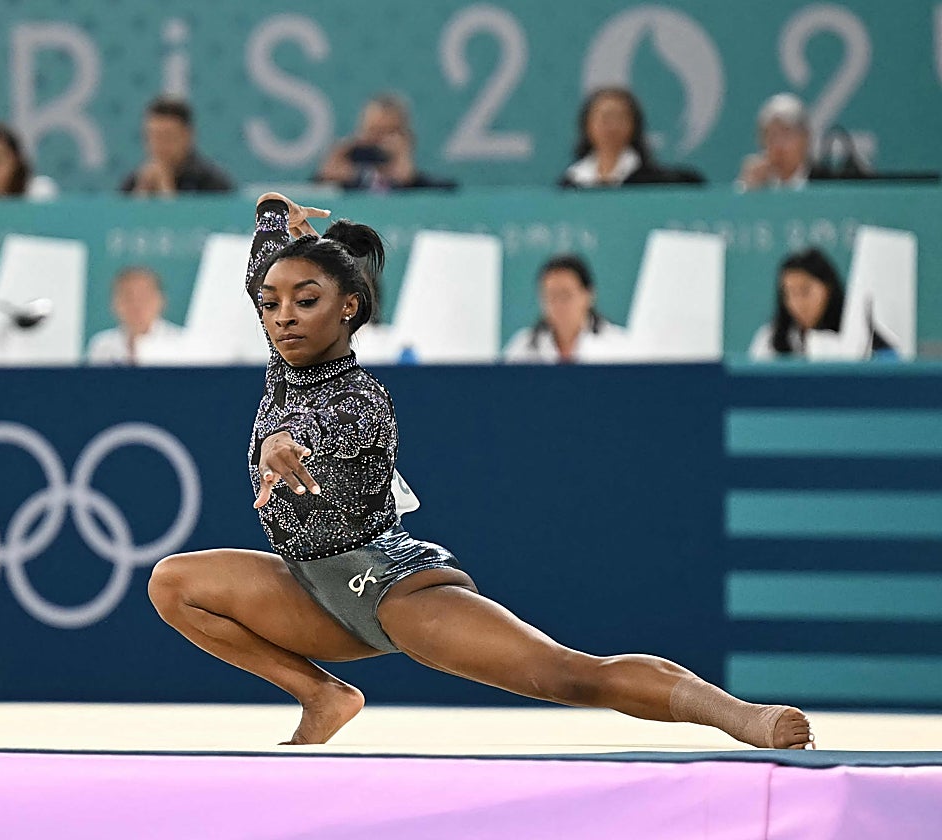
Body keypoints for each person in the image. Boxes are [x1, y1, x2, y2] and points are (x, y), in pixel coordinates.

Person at [147, 191, 814, 750]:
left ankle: (742, 716)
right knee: (174, 583)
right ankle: (322, 693)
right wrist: (272, 214)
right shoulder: (281, 362)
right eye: (271, 304)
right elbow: (263, 271)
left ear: (348, 305)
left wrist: (279, 444)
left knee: (568, 675)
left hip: (390, 589)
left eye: (305, 300)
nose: (282, 316)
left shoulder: (362, 398)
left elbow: (321, 428)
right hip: (311, 588)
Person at [748, 247, 891, 359]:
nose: (797, 303)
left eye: (805, 291)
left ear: (828, 288)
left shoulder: (859, 334)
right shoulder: (769, 339)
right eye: (789, 293)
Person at [558, 88, 704, 189]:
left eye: (619, 117)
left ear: (634, 125)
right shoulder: (570, 183)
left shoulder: (656, 182)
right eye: (604, 118)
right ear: (587, 125)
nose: (611, 126)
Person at [315, 93, 456, 192]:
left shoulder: (420, 184)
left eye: (389, 132)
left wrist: (402, 156)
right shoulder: (350, 173)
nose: (379, 140)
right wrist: (342, 150)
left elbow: (406, 178)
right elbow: (324, 179)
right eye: (373, 131)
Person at [503, 255, 630, 363]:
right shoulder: (522, 347)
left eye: (565, 295)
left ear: (589, 295)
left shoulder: (619, 346)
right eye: (551, 296)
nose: (558, 304)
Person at [120, 97, 233, 196]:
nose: (158, 145)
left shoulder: (213, 185)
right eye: (152, 137)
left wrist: (166, 189)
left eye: (167, 137)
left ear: (188, 136)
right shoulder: (132, 183)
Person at [86, 266, 185, 365]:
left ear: (161, 301)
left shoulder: (181, 343)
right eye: (128, 297)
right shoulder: (101, 345)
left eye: (144, 297)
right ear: (114, 303)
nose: (136, 305)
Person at [736, 94, 830, 192]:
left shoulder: (828, 181)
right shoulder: (759, 183)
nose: (778, 144)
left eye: (786, 134)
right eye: (771, 136)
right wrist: (747, 189)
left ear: (805, 137)